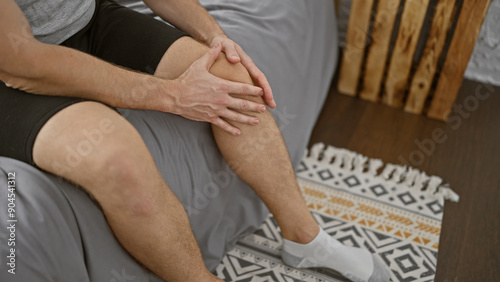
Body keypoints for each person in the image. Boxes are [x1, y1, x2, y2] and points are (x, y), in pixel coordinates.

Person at [0, 0, 391, 281]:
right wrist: (171, 95)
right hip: (11, 72)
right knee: (116, 155)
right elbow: (24, 64)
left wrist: (217, 38)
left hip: (86, 21)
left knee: (233, 80)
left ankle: (305, 237)